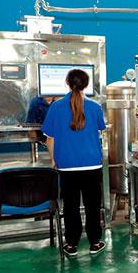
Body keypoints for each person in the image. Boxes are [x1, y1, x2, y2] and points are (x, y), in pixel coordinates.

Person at [41, 69, 106, 257]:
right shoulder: (95, 107)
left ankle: (71, 244)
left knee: (70, 207)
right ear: (86, 85)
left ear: (67, 83)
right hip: (92, 164)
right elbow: (100, 130)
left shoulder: (55, 107)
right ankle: (95, 242)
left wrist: (53, 159)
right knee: (93, 206)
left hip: (67, 166)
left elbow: (50, 138)